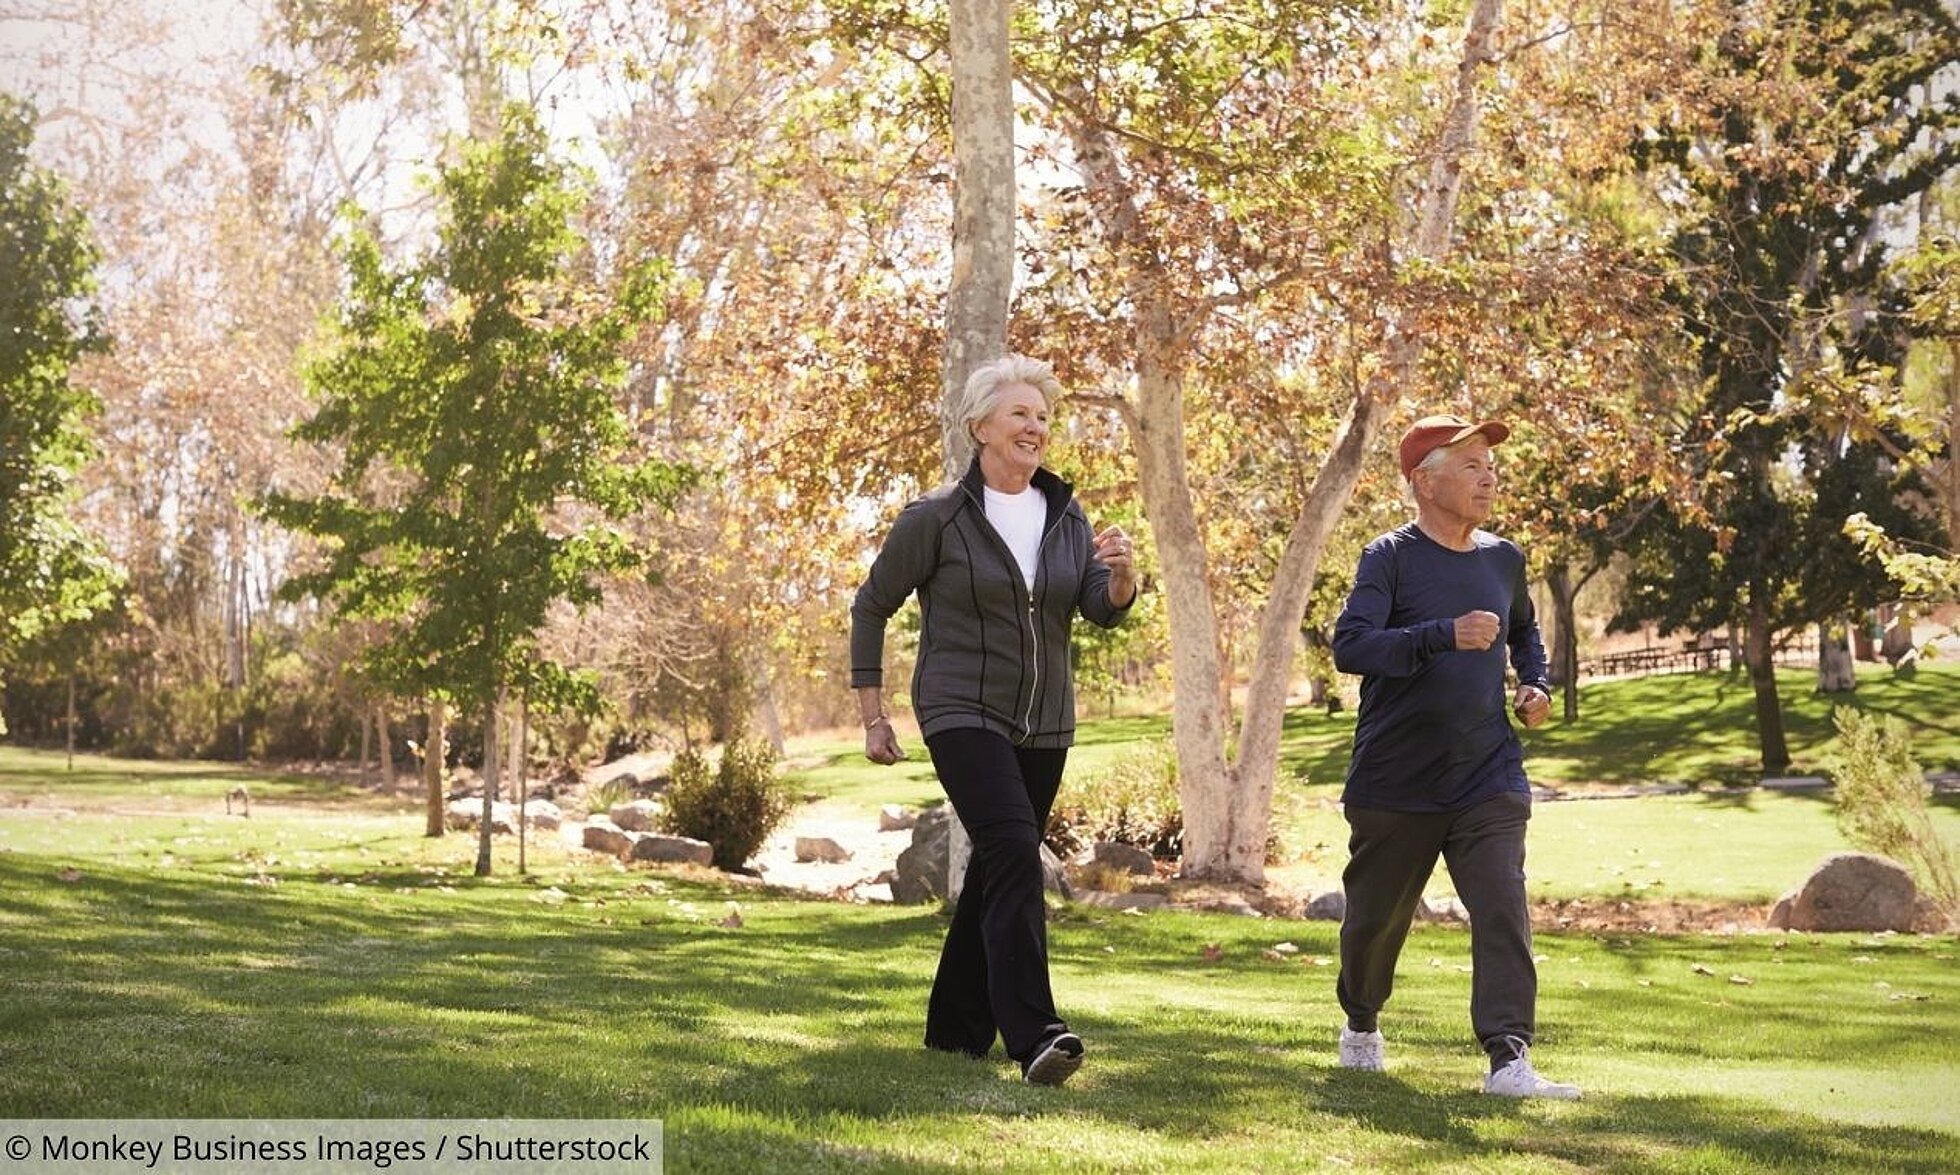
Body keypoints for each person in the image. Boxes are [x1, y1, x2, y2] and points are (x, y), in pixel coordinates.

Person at [850, 353, 1137, 1087]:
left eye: (1042, 416)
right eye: (1019, 414)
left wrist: (1124, 580)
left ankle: (953, 1030)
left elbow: (1098, 608)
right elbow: (871, 604)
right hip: (959, 705)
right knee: (1012, 843)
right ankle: (1037, 1032)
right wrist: (872, 713)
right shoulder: (937, 516)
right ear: (980, 426)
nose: (1035, 426)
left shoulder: (1066, 514)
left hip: (1044, 719)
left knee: (997, 865)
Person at [1329, 413, 1580, 1100]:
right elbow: (1351, 646)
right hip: (1396, 778)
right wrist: (1442, 635)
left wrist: (1535, 685)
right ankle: (1361, 1020)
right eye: (1469, 464)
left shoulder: (1503, 558)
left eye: (1489, 464)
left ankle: (1508, 1057)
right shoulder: (1390, 557)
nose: (1488, 474)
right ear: (1424, 481)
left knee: (1502, 901)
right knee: (1375, 922)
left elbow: (1525, 633)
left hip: (1486, 772)